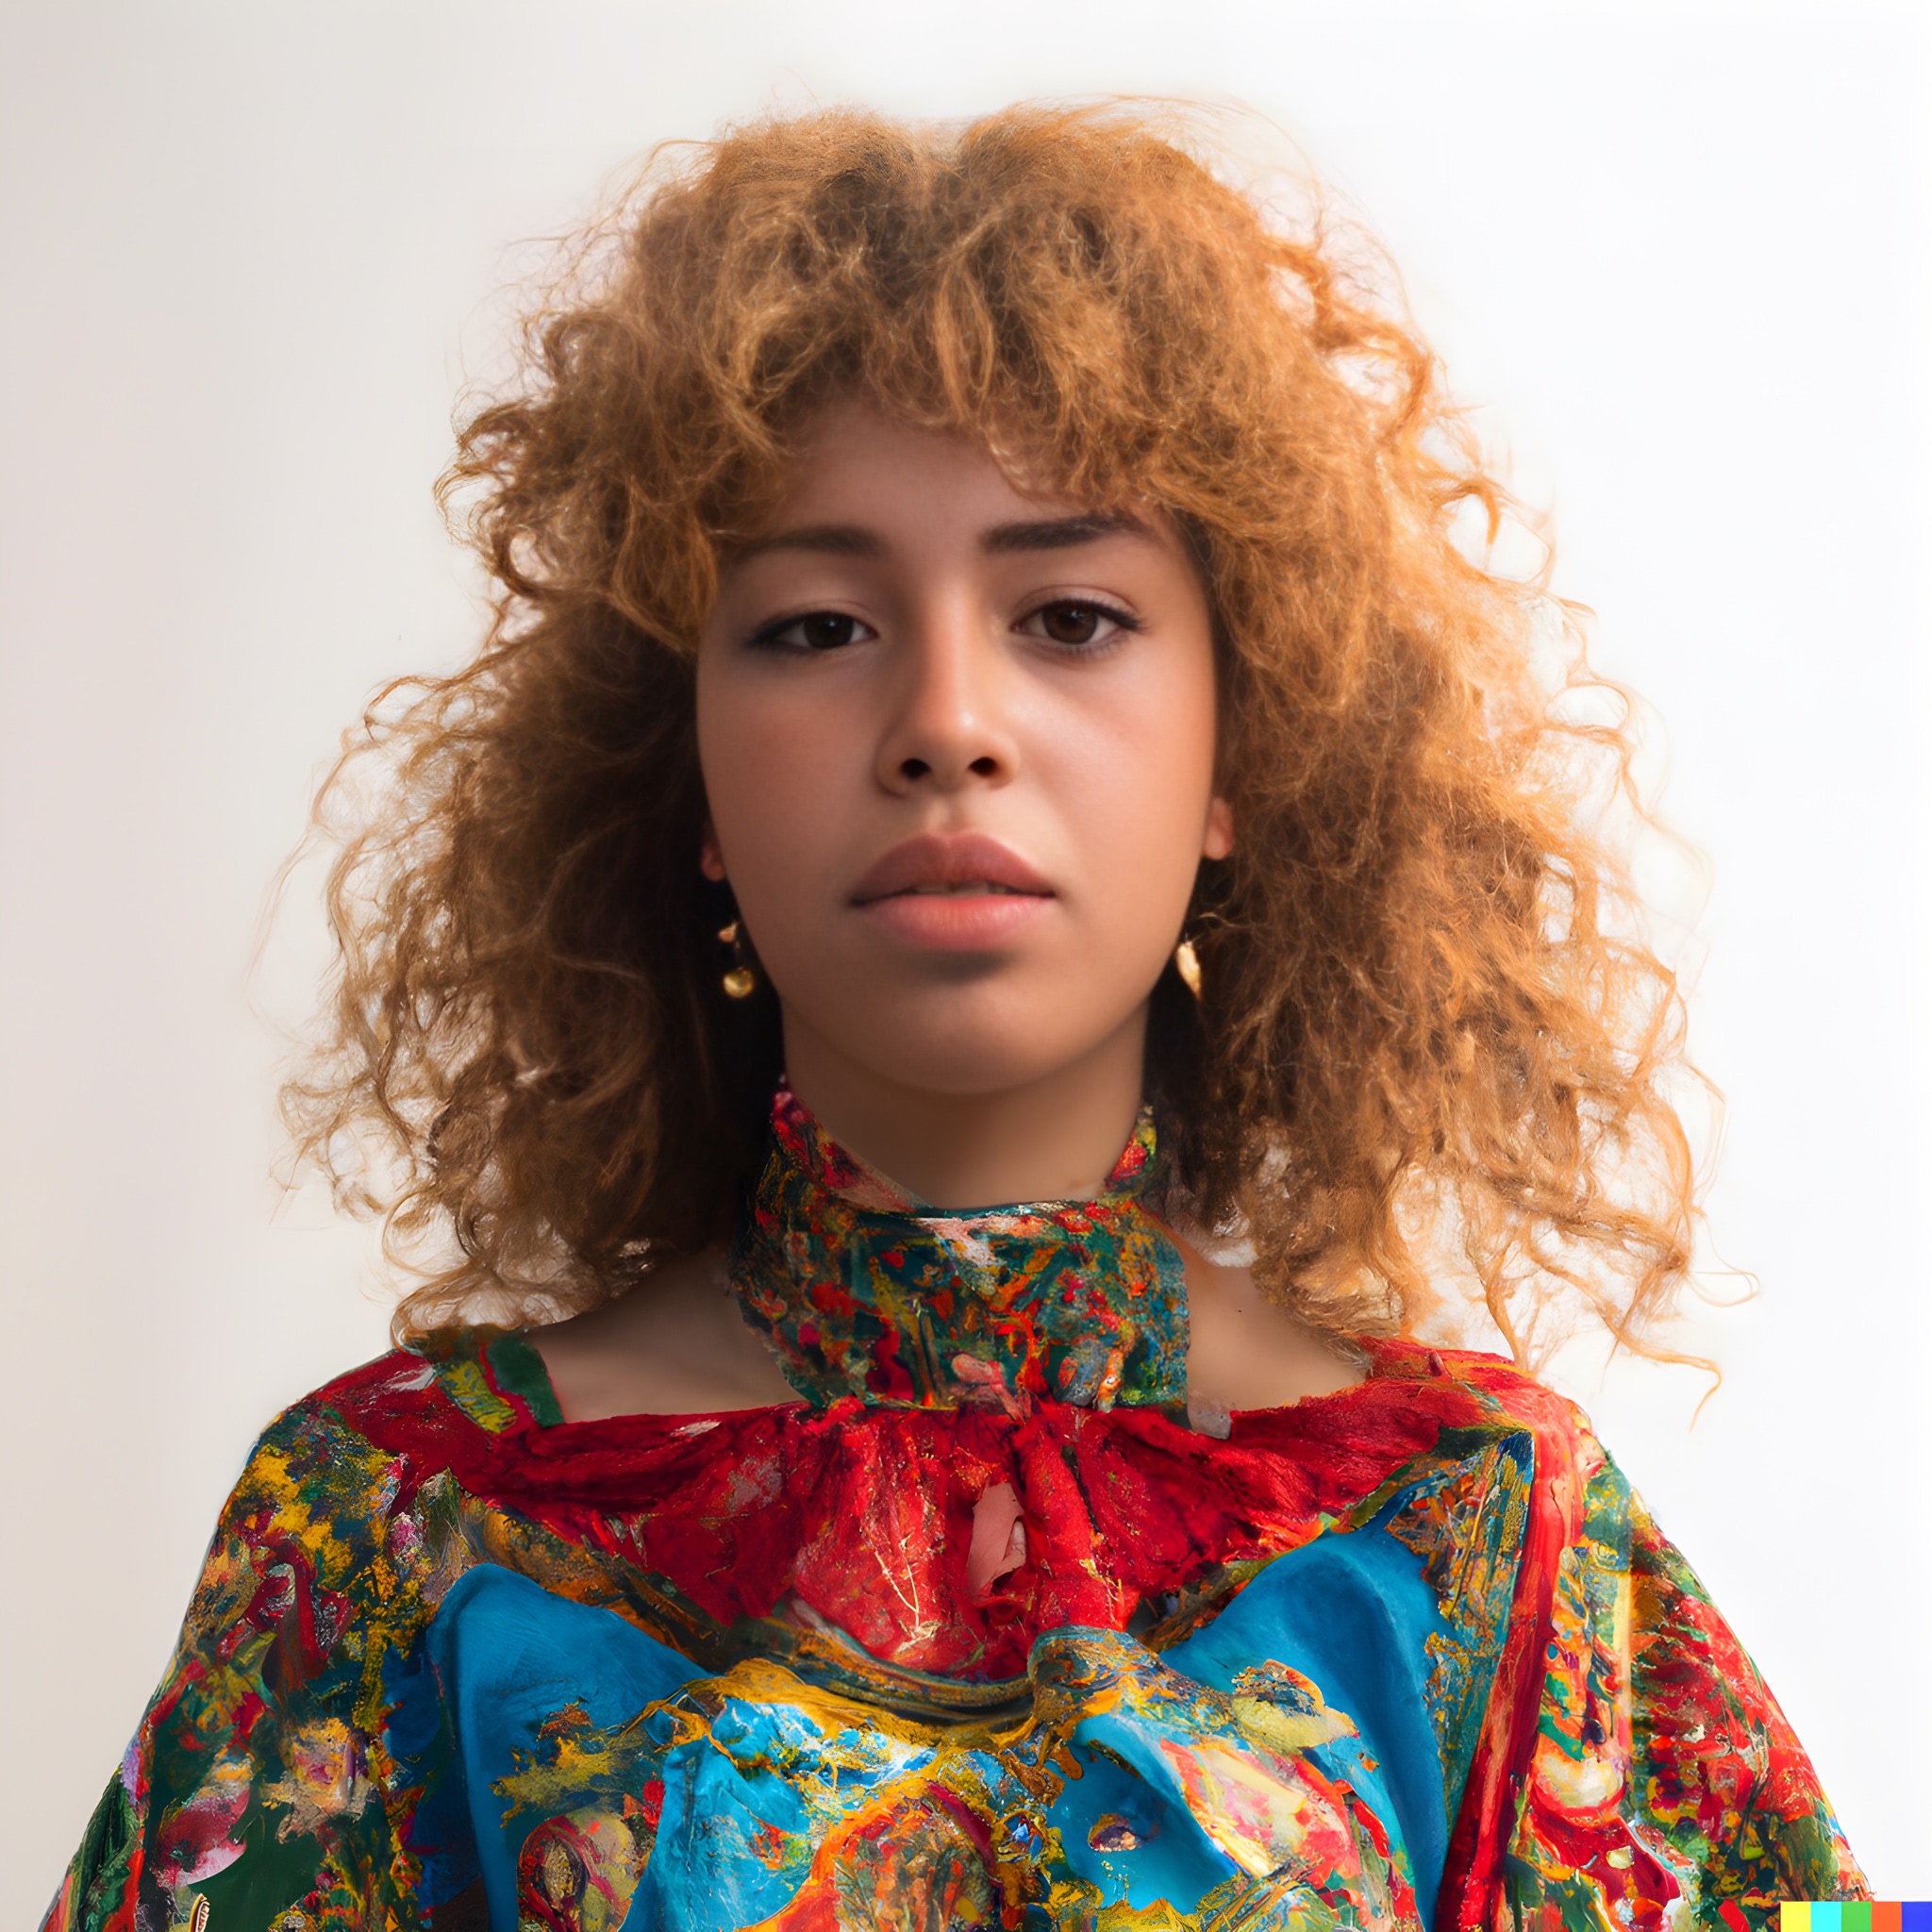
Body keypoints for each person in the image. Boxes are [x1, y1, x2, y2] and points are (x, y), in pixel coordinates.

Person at [43, 102, 1866, 1932]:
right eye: (819, 627)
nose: (944, 717)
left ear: (1241, 751)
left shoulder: (1477, 1533)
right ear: (682, 773)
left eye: (1067, 615)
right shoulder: (393, 1530)